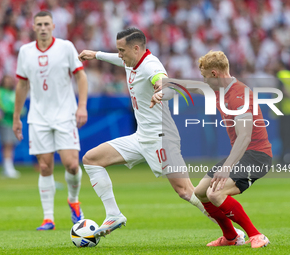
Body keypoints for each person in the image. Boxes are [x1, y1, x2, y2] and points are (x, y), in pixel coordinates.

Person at [78, 28, 245, 241]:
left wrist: (160, 92)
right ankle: (113, 215)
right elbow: (119, 60)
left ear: (136, 49)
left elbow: (167, 85)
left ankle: (235, 234)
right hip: (141, 137)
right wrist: (96, 54)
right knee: (91, 159)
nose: (119, 55)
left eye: (122, 50)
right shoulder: (131, 61)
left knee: (187, 192)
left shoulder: (150, 66)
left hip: (161, 138)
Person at [151, 50, 272, 248]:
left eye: (206, 77)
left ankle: (256, 235)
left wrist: (226, 168)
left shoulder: (239, 95)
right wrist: (166, 82)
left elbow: (245, 137)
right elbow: (195, 86)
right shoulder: (219, 90)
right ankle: (231, 237)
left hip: (256, 157)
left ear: (215, 74)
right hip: (242, 156)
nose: (204, 81)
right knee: (200, 192)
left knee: (215, 193)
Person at [13, 11, 89, 230]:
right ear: (34, 27)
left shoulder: (65, 47)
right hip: (38, 117)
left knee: (72, 165)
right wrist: (17, 117)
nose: (43, 27)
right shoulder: (25, 52)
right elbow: (21, 85)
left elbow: (80, 76)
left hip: (65, 114)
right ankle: (48, 218)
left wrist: (81, 106)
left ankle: (74, 202)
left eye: (47, 24)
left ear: (53, 26)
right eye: (39, 24)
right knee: (45, 165)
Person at [0, 75, 23, 178]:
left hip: (13, 122)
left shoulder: (13, 92)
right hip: (4, 122)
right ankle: (7, 167)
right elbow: (2, 106)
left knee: (11, 145)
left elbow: (20, 105)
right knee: (7, 144)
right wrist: (14, 112)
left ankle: (8, 166)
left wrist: (19, 112)